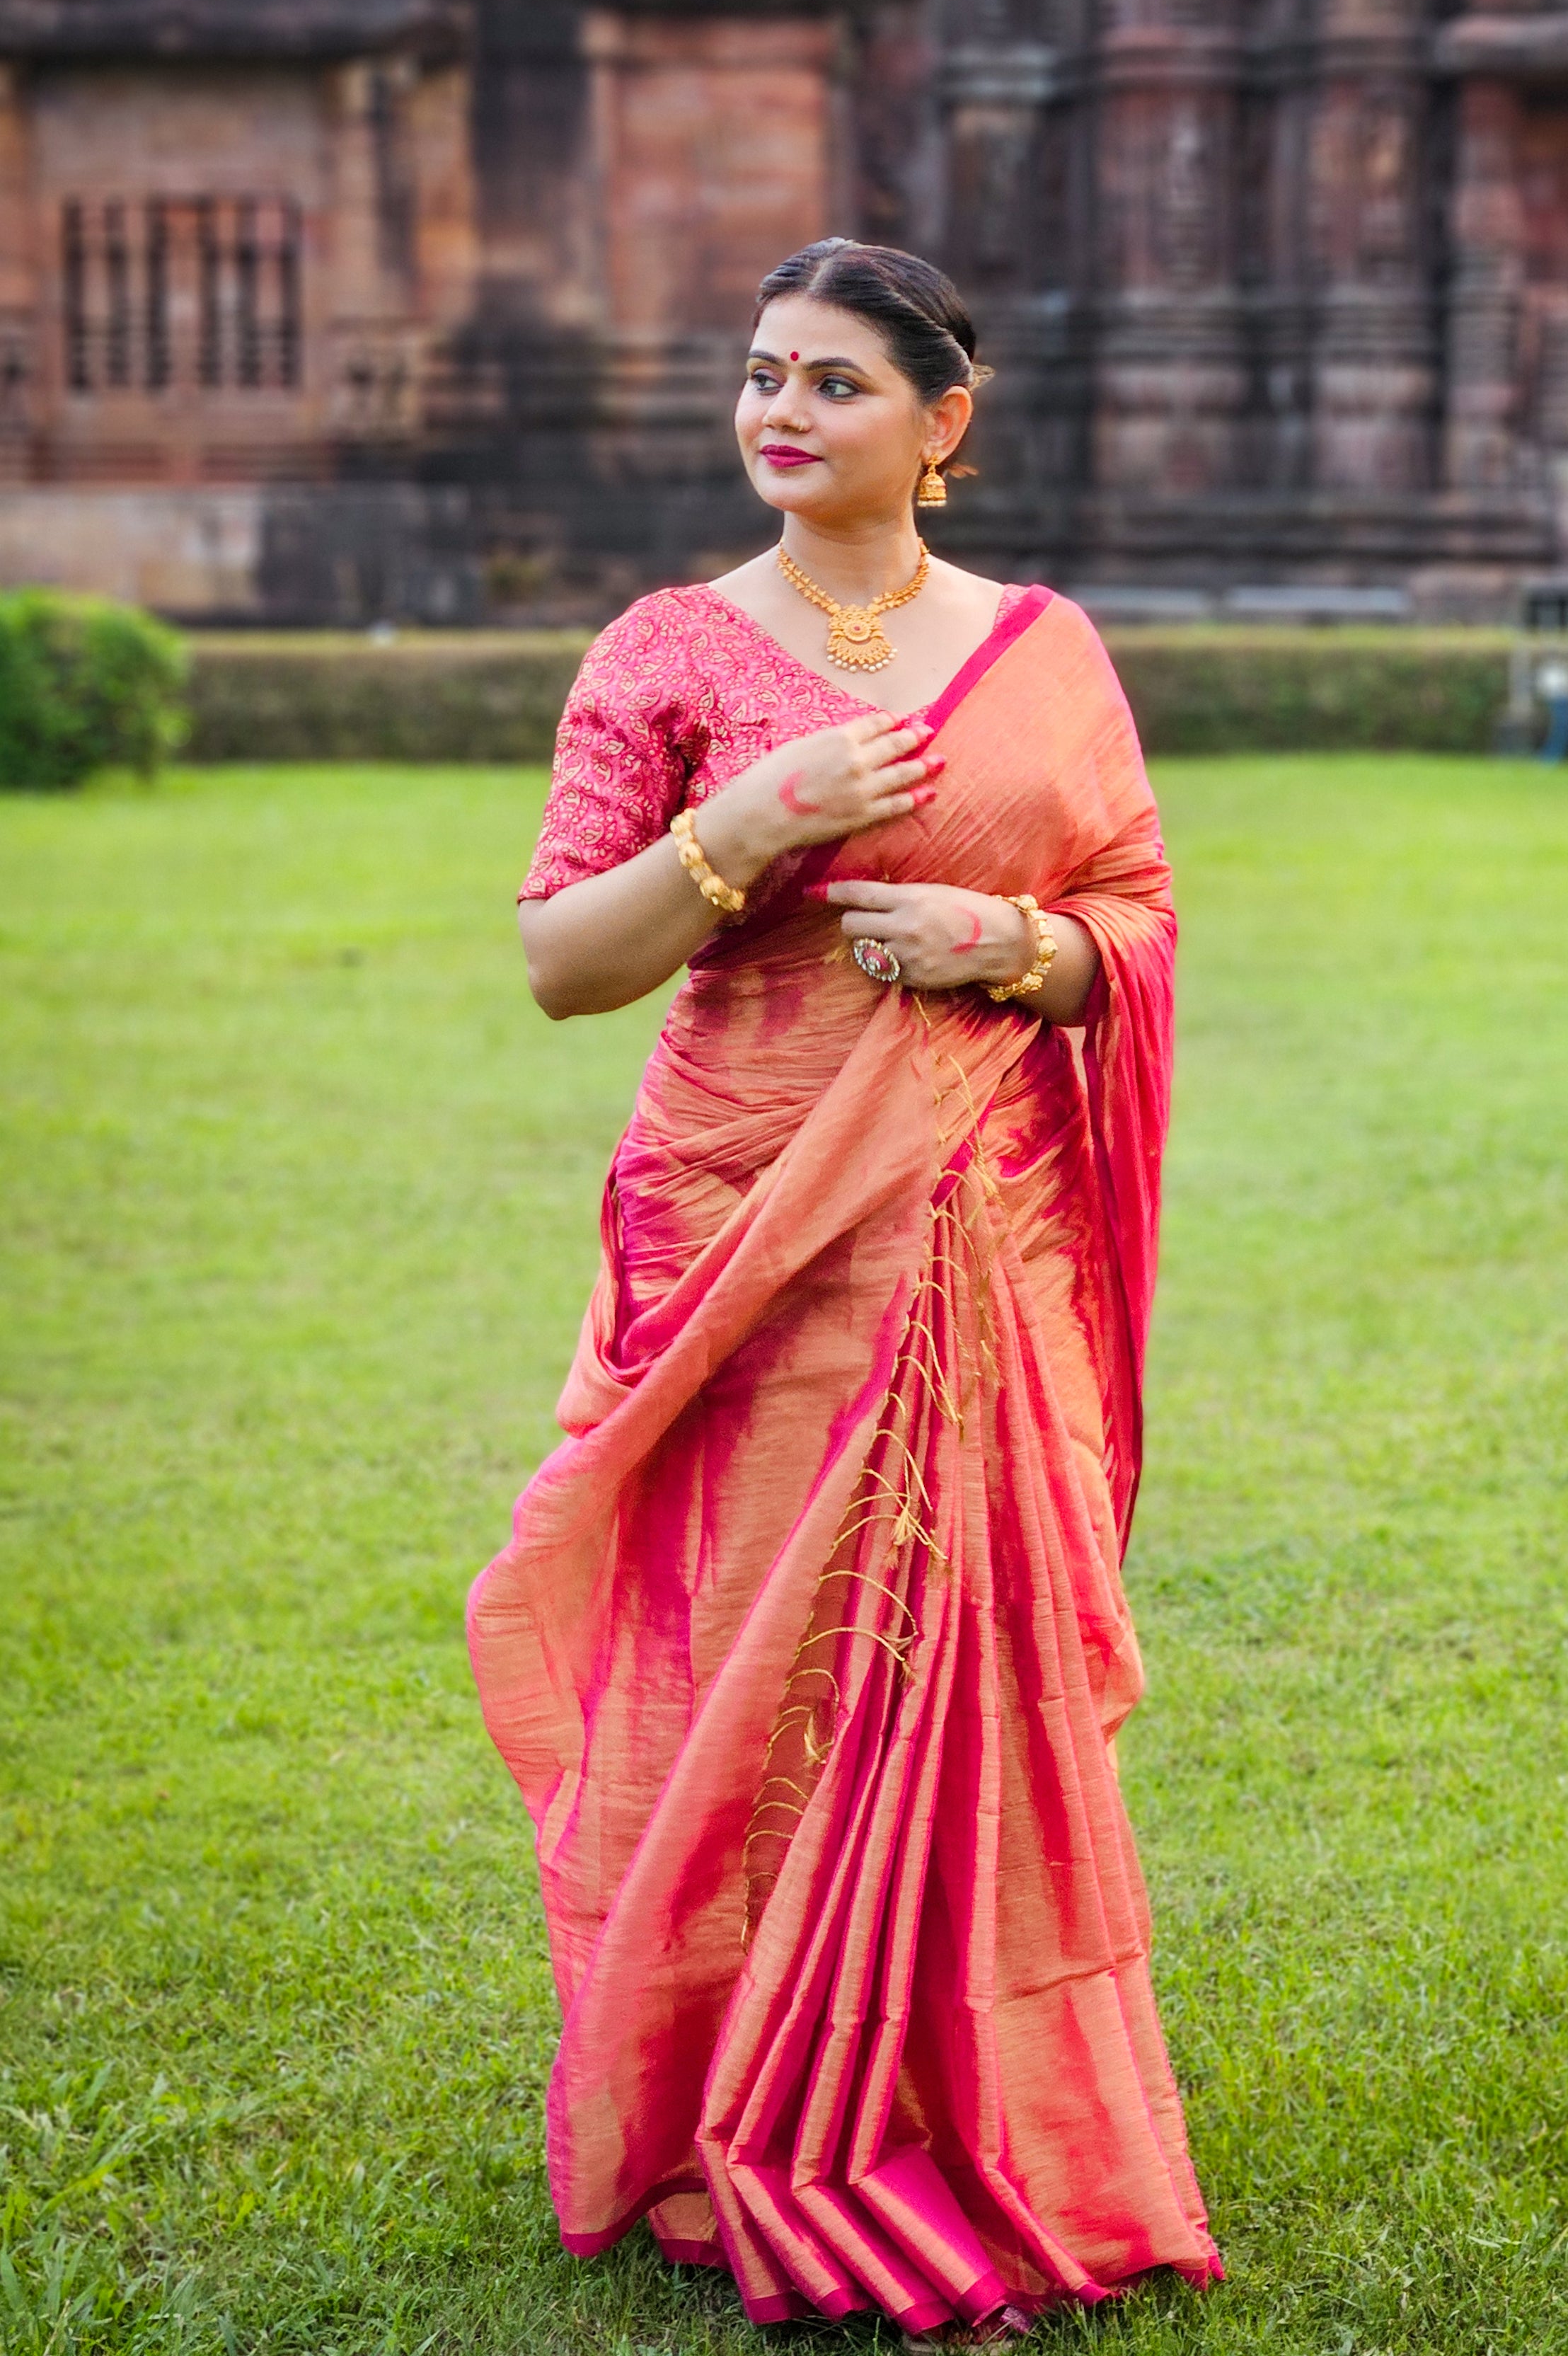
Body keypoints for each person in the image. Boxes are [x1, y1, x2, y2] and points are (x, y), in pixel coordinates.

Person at [469, 239, 1221, 2338]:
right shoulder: (672, 645)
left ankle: (953, 2095)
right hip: (738, 1224)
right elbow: (559, 960)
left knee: (946, 1665)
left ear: (940, 424)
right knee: (741, 1667)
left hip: (978, 1238)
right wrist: (751, 825)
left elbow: (1132, 912)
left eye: (832, 383)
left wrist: (1018, 957)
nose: (780, 411)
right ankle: (727, 2101)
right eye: (757, 375)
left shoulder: (1042, 651)